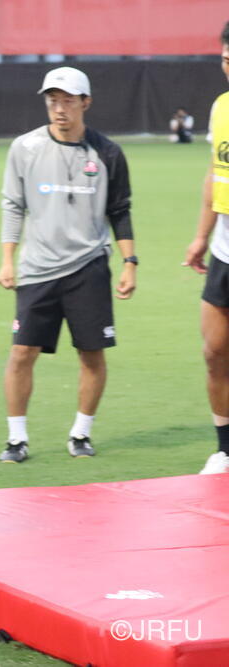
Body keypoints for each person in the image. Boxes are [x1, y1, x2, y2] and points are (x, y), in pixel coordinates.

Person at [0, 66, 136, 463]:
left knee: (92, 354)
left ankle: (81, 433)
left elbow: (120, 209)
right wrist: (7, 260)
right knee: (22, 353)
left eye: (68, 101)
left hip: (89, 267)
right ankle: (16, 440)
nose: (59, 109)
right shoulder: (24, 148)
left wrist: (130, 262)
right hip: (37, 268)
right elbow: (13, 205)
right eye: (52, 101)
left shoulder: (108, 152)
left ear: (85, 103)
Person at [184, 21, 229, 475]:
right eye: (226, 59)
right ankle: (225, 449)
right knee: (215, 353)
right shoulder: (221, 108)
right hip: (224, 252)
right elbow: (215, 174)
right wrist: (201, 235)